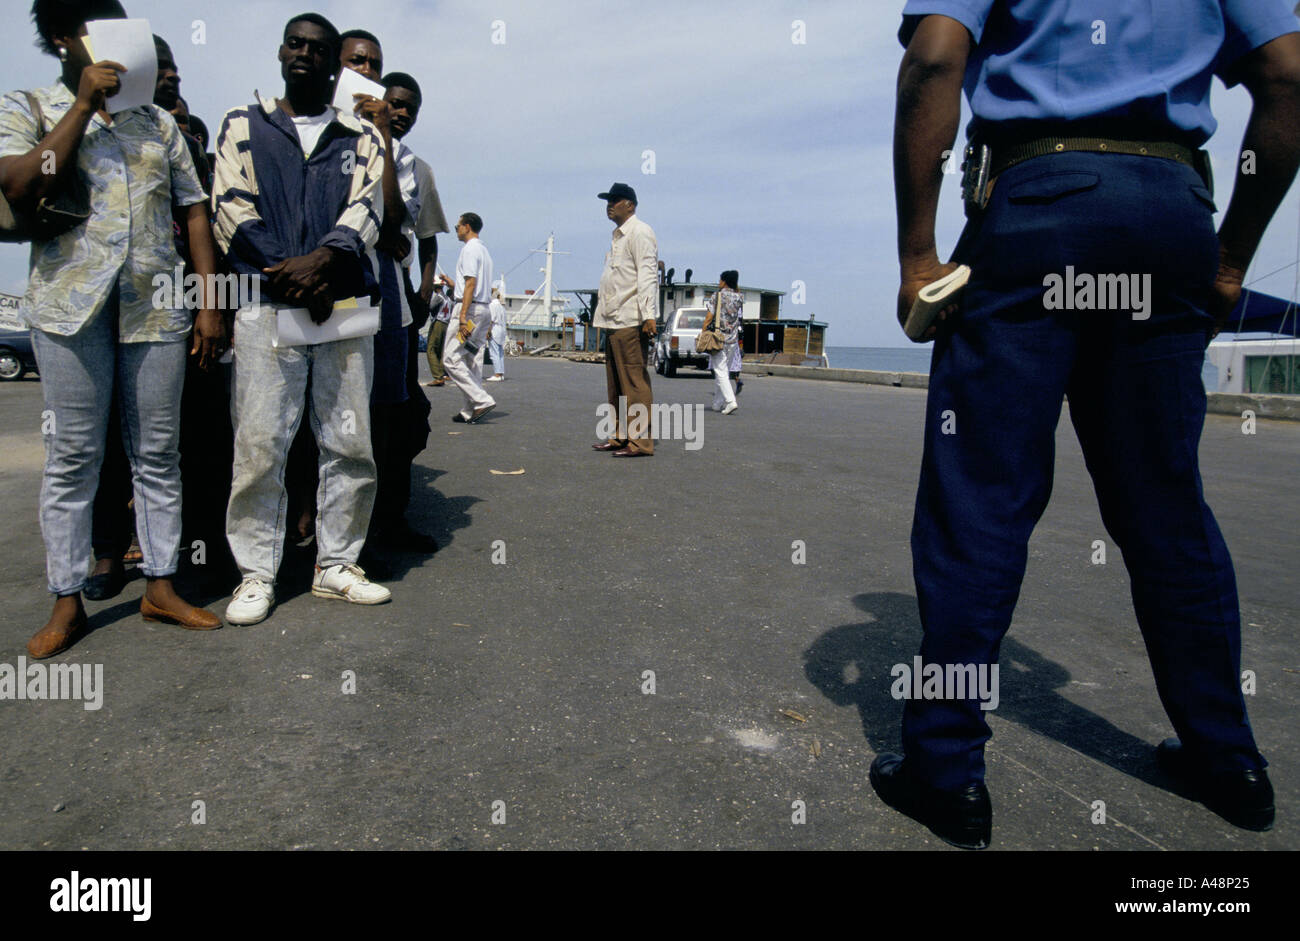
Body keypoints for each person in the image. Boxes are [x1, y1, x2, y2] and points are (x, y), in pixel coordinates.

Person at [876, 1, 1300, 849]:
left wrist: (918, 254)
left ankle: (948, 769)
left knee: (983, 504)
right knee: (1165, 505)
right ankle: (1229, 762)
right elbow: (1288, 76)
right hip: (1170, 207)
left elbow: (933, 60)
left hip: (1039, 205)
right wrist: (1231, 257)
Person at [0, 0, 225, 658]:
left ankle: (160, 585)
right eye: (96, 28)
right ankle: (66, 600)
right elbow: (17, 183)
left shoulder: (157, 122)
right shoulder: (31, 105)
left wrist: (208, 302)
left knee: (158, 453)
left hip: (155, 308)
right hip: (70, 308)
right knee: (74, 458)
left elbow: (195, 214)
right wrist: (81, 107)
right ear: (66, 39)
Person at [214, 12, 391, 626]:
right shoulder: (245, 125)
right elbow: (231, 210)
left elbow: (367, 211)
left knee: (348, 439)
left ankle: (336, 564)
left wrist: (323, 264)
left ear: (334, 64)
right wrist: (291, 271)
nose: (306, 56)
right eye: (296, 44)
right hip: (267, 307)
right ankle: (256, 574)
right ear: (280, 51)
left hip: (340, 308)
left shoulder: (359, 135)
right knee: (261, 442)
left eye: (320, 50)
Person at [590, 182, 657, 457]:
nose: (610, 204)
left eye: (616, 200)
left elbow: (647, 275)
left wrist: (649, 315)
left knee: (634, 384)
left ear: (630, 204)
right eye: (608, 200)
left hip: (630, 319)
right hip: (613, 320)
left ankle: (640, 442)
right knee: (616, 384)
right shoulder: (617, 237)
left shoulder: (640, 232)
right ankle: (620, 435)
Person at [438, 212, 496, 423]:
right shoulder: (484, 251)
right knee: (471, 358)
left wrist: (462, 315)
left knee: (451, 358)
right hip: (483, 309)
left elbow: (470, 283)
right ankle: (469, 409)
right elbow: (475, 285)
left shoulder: (469, 250)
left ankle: (481, 400)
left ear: (467, 226)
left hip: (469, 310)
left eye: (458, 226)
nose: (456, 230)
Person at [703, 270, 741, 413]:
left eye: (720, 279)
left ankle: (731, 401)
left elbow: (709, 316)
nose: (719, 282)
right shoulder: (739, 297)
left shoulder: (717, 296)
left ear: (724, 281)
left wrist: (703, 331)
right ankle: (717, 403)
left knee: (720, 371)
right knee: (724, 371)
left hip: (718, 338)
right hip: (733, 339)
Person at [423, 284, 451, 386]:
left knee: (431, 349)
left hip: (438, 322)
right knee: (441, 350)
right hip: (446, 323)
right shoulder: (447, 298)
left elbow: (430, 307)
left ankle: (438, 376)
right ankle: (443, 373)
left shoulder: (438, 297)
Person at [487, 287, 507, 381]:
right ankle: (501, 373)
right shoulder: (502, 307)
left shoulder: (492, 305)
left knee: (494, 352)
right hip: (502, 330)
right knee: (500, 353)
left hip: (495, 329)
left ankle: (497, 374)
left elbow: (491, 319)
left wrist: (488, 331)